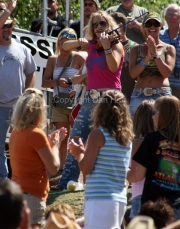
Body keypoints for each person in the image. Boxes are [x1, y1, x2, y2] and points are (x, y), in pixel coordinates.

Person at [51, 10, 125, 191]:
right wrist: (79, 41)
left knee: (111, 139)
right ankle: (66, 181)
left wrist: (107, 46)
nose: (99, 27)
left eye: (102, 23)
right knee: (76, 136)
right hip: (91, 98)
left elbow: (113, 66)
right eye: (95, 24)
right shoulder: (92, 46)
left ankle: (113, 180)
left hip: (110, 99)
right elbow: (64, 45)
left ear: (109, 25)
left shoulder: (116, 45)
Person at [69, 90, 133, 229]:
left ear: (101, 110)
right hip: (120, 199)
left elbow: (86, 169)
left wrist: (78, 154)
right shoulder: (127, 138)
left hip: (99, 198)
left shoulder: (97, 135)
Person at [9, 88, 67, 228]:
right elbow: (54, 168)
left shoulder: (15, 133)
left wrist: (50, 144)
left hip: (16, 194)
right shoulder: (36, 134)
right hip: (32, 195)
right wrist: (56, 146)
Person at [0, 0, 36, 179]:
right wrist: (9, 10)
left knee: (21, 143)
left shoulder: (22, 48)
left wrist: (27, 95)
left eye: (9, 25)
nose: (6, 29)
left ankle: (21, 179)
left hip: (18, 106)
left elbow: (31, 72)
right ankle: (3, 181)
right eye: (3, 25)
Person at [132, 95, 180, 220]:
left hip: (152, 207)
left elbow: (138, 175)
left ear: (164, 115)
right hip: (177, 207)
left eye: (154, 112)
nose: (152, 116)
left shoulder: (151, 138)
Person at [42, 28, 85, 166]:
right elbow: (44, 82)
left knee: (77, 138)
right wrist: (56, 82)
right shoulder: (52, 59)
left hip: (76, 104)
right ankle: (62, 171)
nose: (65, 43)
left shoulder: (79, 58)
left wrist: (77, 89)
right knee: (62, 139)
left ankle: (76, 170)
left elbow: (86, 79)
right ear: (59, 42)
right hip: (59, 105)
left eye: (69, 41)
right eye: (63, 40)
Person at [129, 11, 175, 116]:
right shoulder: (136, 48)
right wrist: (147, 58)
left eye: (156, 24)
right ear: (144, 27)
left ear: (161, 26)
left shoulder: (169, 48)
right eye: (149, 24)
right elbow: (133, 74)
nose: (152, 27)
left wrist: (155, 55)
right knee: (138, 130)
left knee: (162, 130)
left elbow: (166, 73)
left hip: (162, 95)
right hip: (139, 95)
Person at [127, 100, 155, 219]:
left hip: (140, 196)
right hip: (161, 196)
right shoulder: (163, 142)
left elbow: (135, 176)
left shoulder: (138, 143)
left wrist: (119, 171)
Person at [111, 11, 137, 102]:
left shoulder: (134, 47)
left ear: (120, 26)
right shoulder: (106, 46)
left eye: (110, 26)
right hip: (111, 99)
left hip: (130, 99)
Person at [159, 4, 180, 99]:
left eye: (174, 15)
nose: (172, 18)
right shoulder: (159, 35)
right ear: (165, 18)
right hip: (164, 86)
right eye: (169, 15)